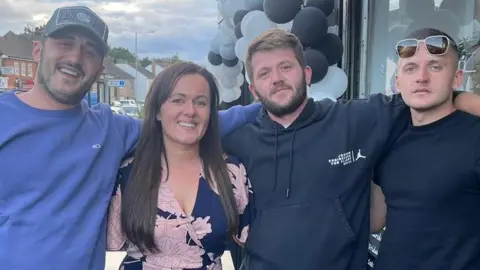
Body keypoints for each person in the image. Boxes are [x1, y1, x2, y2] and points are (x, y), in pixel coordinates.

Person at [0, 6, 258, 270]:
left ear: (100, 68)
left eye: (89, 51)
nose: (75, 58)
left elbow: (183, 124)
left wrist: (267, 104)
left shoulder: (109, 129)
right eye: (64, 44)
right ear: (37, 50)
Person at [220, 28, 480, 270]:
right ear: (253, 90)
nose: (277, 79)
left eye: (285, 67)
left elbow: (424, 94)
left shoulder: (358, 119)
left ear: (307, 74)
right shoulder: (236, 141)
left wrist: (464, 98)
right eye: (264, 73)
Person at [106, 62, 251, 269]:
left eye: (201, 103)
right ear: (157, 112)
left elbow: (252, 243)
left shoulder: (231, 172)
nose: (190, 111)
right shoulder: (128, 173)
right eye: (178, 100)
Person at [370, 28, 480, 269]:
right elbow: (376, 219)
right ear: (398, 81)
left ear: (457, 78)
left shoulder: (474, 136)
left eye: (435, 66)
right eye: (410, 68)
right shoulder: (388, 135)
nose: (421, 77)